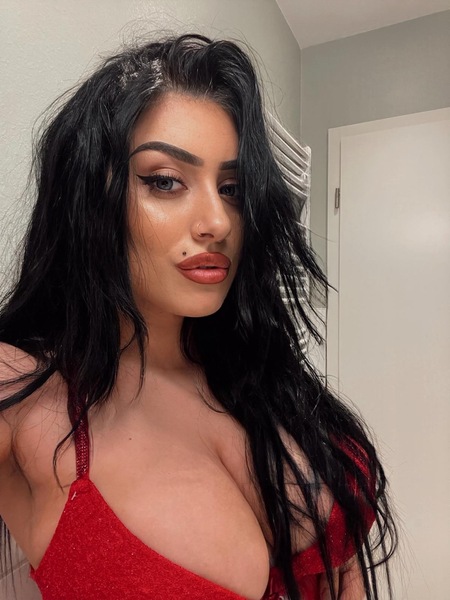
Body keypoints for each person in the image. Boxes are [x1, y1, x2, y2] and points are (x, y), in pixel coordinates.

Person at [0, 34, 396, 600]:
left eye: (232, 188)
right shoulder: (26, 392)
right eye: (165, 181)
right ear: (88, 197)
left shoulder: (258, 372)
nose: (218, 221)